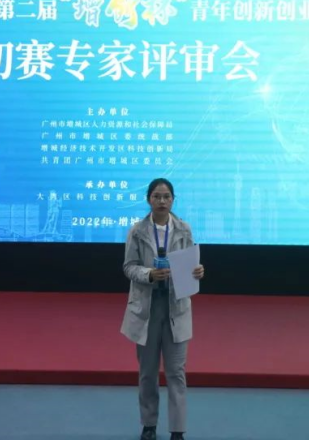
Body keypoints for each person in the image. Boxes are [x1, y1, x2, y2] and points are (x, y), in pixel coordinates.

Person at [121, 178, 205, 440]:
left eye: (166, 196)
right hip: (147, 308)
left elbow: (191, 264)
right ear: (148, 199)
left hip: (176, 306)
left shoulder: (184, 229)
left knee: (176, 373)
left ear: (173, 200)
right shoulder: (137, 231)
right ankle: (149, 425)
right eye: (156, 196)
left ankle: (177, 430)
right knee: (147, 373)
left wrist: (197, 271)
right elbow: (128, 267)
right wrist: (149, 274)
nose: (161, 201)